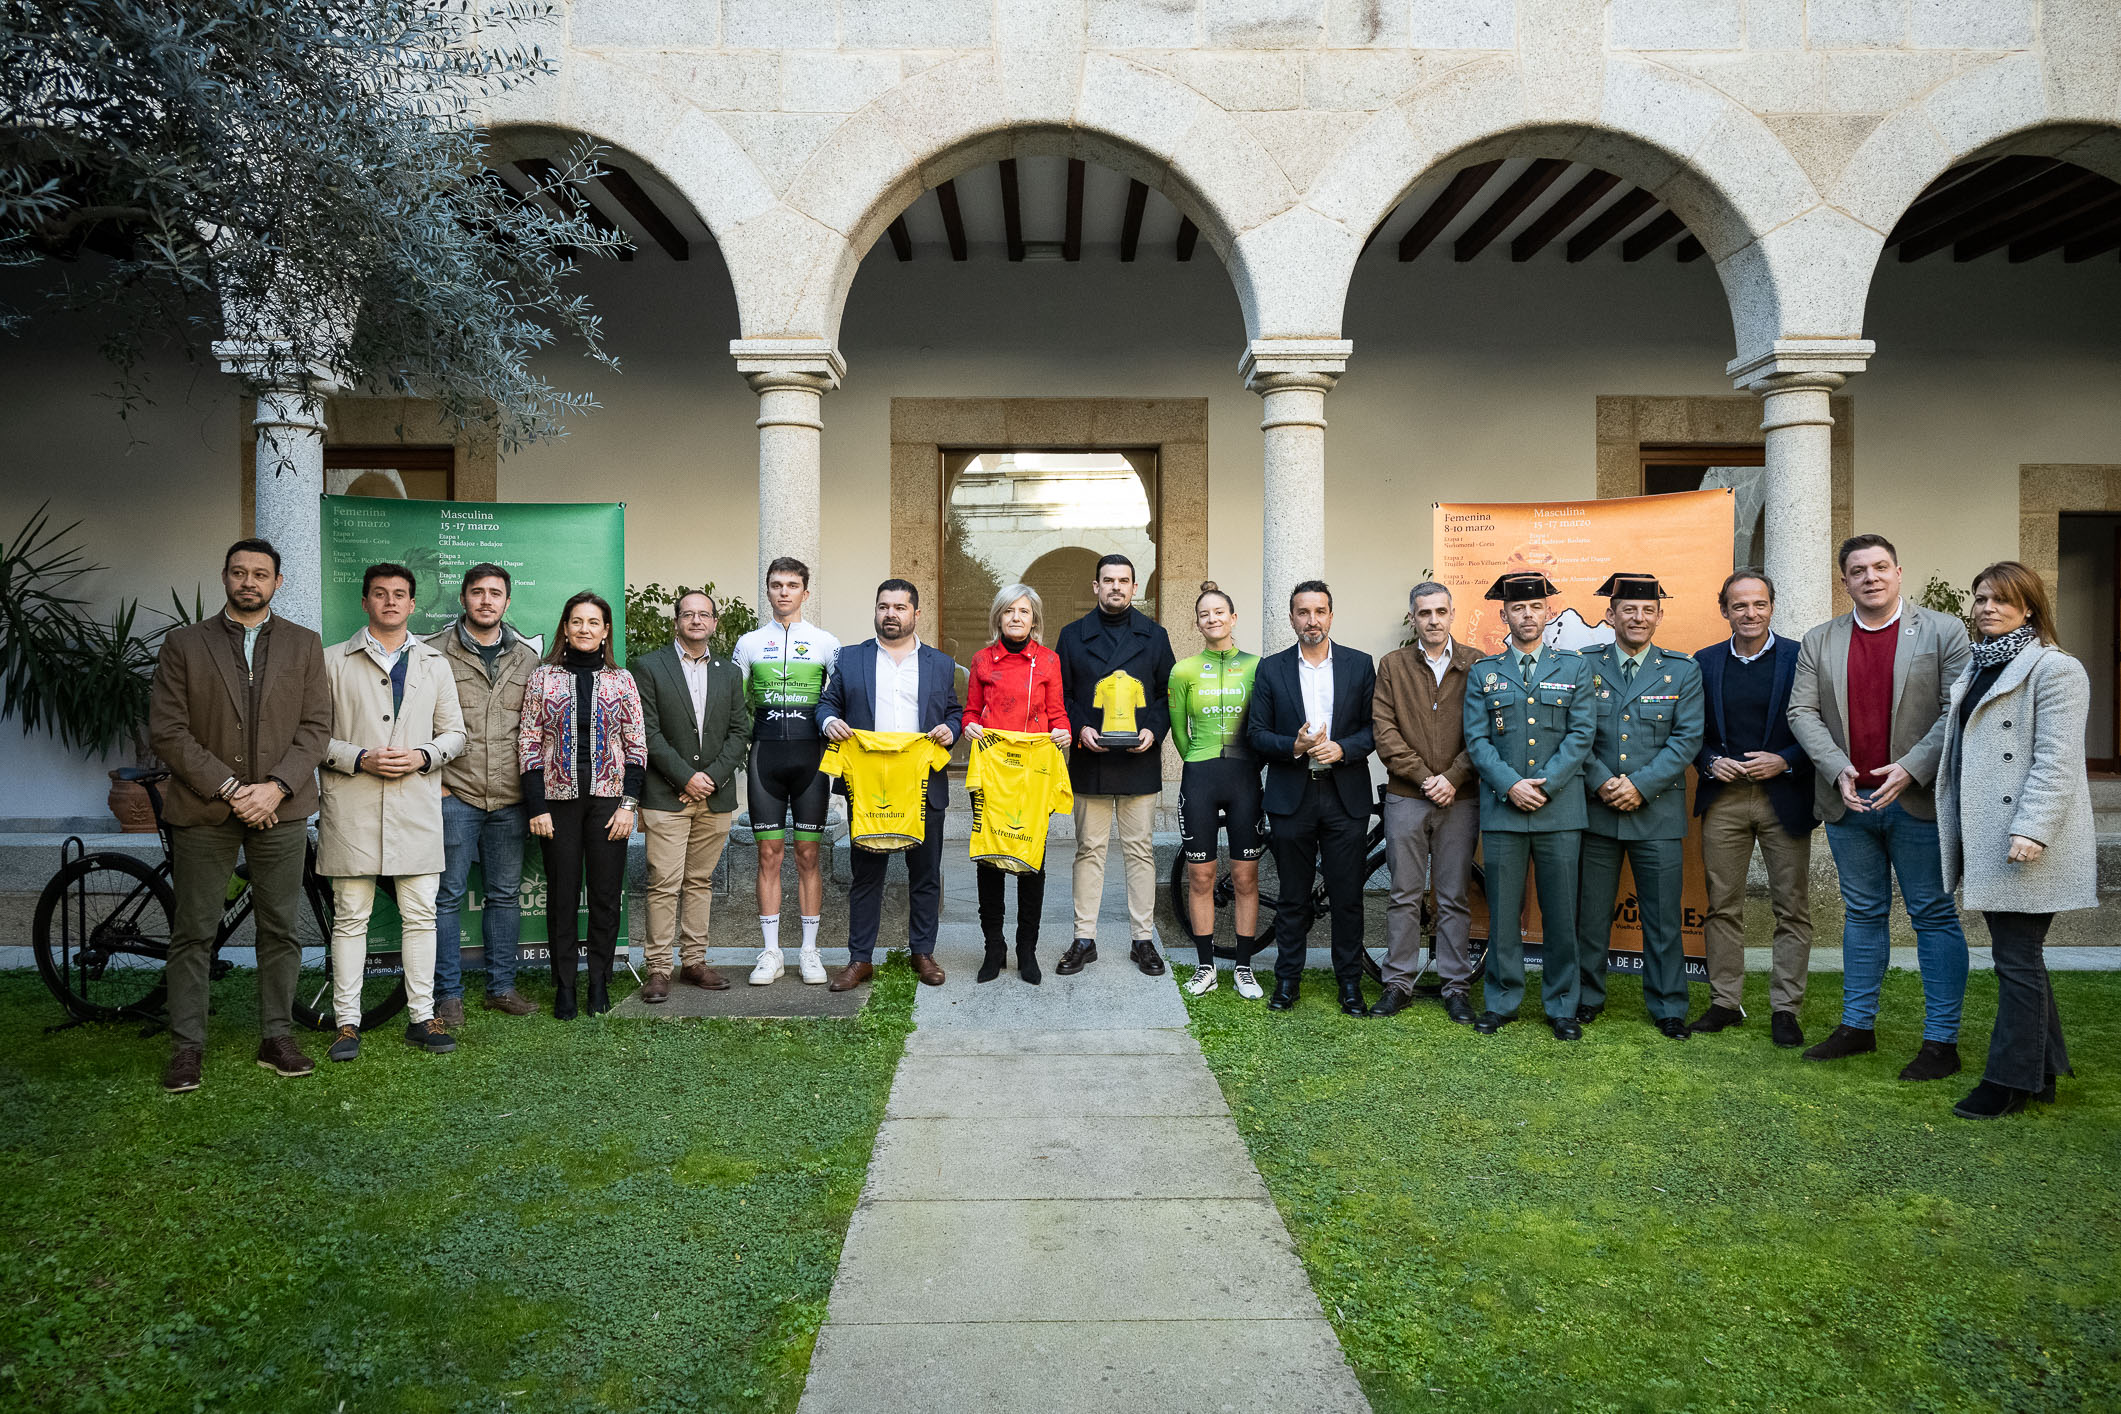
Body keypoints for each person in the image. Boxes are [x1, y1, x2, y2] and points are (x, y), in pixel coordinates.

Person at [147, 538, 331, 1092]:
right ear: (225, 578)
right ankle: (187, 1048)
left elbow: (316, 728)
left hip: (282, 807)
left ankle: (277, 1036)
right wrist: (231, 788)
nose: (249, 582)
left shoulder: (303, 644)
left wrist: (274, 788)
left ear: (278, 583)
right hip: (205, 806)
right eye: (238, 572)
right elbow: (167, 731)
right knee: (195, 931)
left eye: (260, 574)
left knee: (280, 928)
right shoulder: (184, 644)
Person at [1787, 534, 1972, 1080]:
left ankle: (1941, 1041)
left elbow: (1954, 712)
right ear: (1843, 580)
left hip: (1916, 801)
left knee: (1933, 916)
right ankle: (1856, 1027)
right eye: (1858, 570)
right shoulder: (1819, 640)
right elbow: (1801, 712)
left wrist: (1911, 767)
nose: (1870, 577)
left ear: (1898, 572)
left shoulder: (1943, 631)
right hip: (1849, 802)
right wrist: (1837, 767)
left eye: (1880, 567)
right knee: (1863, 914)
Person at [1938, 562, 2094, 1119]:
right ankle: (2045, 1070)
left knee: (2016, 959)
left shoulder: (2056, 670)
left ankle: (2008, 1082)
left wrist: (2032, 829)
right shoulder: (1979, 666)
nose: (1987, 608)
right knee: (2021, 956)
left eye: (2002, 600)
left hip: (2023, 839)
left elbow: (2056, 762)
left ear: (2028, 607)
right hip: (1988, 835)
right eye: (1981, 598)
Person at [318, 562, 466, 1059]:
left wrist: (425, 755)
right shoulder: (332, 661)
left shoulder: (434, 663)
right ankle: (347, 1023)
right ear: (364, 602)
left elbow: (456, 734)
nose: (390, 602)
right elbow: (311, 736)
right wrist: (358, 757)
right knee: (350, 916)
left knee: (421, 915)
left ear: (412, 603)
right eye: (379, 594)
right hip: (352, 806)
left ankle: (422, 1018)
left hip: (415, 806)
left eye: (400, 594)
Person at [1463, 572, 1598, 1040]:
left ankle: (1563, 1005)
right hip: (1503, 808)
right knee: (1502, 912)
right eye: (1517, 608)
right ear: (1504, 615)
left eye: (1535, 607)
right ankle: (1502, 1000)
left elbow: (1583, 733)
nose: (1526, 614)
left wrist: (1546, 783)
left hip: (1559, 808)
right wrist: (1511, 785)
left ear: (1548, 613)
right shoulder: (1485, 672)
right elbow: (1477, 741)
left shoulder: (1575, 668)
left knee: (1561, 912)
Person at [1575, 574, 1705, 1040]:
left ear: (1659, 617)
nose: (1638, 617)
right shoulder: (1583, 666)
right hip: (1597, 809)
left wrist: (1640, 785)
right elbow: (1576, 734)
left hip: (1657, 813)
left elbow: (1687, 739)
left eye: (1648, 610)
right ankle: (1585, 997)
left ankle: (1669, 1004)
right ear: (1611, 615)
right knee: (1590, 916)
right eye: (1629, 609)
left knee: (1663, 918)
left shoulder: (1682, 671)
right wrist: (1604, 781)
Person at [1690, 570, 1816, 1048]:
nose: (1750, 613)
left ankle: (1785, 1010)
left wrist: (1784, 760)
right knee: (1722, 905)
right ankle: (1725, 1002)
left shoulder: (1801, 657)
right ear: (1724, 610)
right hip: (1724, 799)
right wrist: (1709, 761)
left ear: (1772, 607)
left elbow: (1823, 727)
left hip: (1784, 796)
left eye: (1759, 604)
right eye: (1739, 606)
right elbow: (1690, 732)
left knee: (1792, 909)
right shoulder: (1704, 663)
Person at [818, 579, 962, 991]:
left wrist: (951, 730)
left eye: (900, 607)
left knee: (925, 873)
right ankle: (859, 958)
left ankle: (923, 952)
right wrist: (830, 722)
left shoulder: (940, 663)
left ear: (916, 613)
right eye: (884, 606)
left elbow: (955, 712)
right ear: (875, 611)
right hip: (869, 786)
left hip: (921, 783)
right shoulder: (849, 659)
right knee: (867, 874)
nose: (891, 614)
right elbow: (828, 704)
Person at [1247, 581, 1378, 1018]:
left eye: (1320, 611)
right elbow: (1256, 734)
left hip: (1344, 797)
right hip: (1292, 797)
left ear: (1331, 615)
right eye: (1303, 612)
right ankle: (1287, 981)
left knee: (1347, 897)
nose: (1312, 620)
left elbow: (1374, 730)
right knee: (1292, 896)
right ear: (1291, 619)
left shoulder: (1360, 665)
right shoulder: (1271, 669)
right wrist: (1296, 746)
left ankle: (1350, 985)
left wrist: (1343, 748)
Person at [518, 591, 646, 1019]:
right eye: (577, 621)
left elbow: (637, 749)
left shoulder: (622, 680)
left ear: (606, 630)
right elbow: (529, 743)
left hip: (609, 804)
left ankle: (599, 980)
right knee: (562, 895)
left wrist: (628, 805)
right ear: (566, 629)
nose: (585, 629)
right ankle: (566, 985)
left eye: (594, 622)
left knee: (607, 896)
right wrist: (537, 806)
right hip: (557, 803)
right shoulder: (543, 678)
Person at [427, 562, 541, 1025]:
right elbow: (415, 719)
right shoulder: (433, 652)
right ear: (464, 598)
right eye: (478, 592)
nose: (487, 600)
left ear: (507, 602)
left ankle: (501, 987)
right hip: (456, 794)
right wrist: (435, 779)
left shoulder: (529, 659)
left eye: (496, 593)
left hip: (511, 800)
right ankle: (447, 993)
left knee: (505, 895)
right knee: (448, 896)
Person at [1053, 554, 1176, 977]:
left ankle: (1143, 940)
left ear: (1134, 586)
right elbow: (1061, 696)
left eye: (1124, 580)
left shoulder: (1155, 636)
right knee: (1089, 850)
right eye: (1108, 580)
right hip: (1092, 758)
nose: (1116, 588)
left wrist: (1154, 731)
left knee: (1140, 851)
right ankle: (1083, 938)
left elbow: (1165, 695)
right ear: (1095, 586)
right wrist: (1080, 726)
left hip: (1138, 759)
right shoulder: (1071, 636)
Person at [1371, 581, 1482, 1023]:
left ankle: (1456, 986)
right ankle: (1398, 982)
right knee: (1404, 894)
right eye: (1424, 613)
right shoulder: (1393, 666)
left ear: (1453, 613)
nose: (1433, 620)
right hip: (1406, 797)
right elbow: (1385, 731)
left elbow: (1485, 733)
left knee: (1453, 894)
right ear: (1413, 618)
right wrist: (1424, 778)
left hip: (1462, 797)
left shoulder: (1477, 664)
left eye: (1440, 611)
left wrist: (1452, 777)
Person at [634, 590, 752, 1001]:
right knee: (664, 883)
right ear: (676, 622)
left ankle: (695, 962)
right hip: (666, 796)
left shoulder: (728, 672)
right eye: (689, 614)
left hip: (714, 798)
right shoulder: (648, 667)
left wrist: (711, 779)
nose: (697, 621)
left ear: (715, 623)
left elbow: (740, 731)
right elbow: (647, 732)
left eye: (704, 615)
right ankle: (659, 969)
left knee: (700, 882)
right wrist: (685, 778)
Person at [732, 558, 841, 986]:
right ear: (768, 590)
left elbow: (841, 702)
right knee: (768, 854)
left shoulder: (826, 644)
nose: (783, 592)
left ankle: (810, 952)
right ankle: (771, 951)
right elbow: (734, 704)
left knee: (809, 854)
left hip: (811, 759)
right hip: (765, 759)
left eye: (792, 585)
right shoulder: (749, 643)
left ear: (805, 593)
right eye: (776, 585)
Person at [961, 583, 1072, 984]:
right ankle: (994, 948)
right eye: (1009, 611)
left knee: (1031, 864)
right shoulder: (981, 660)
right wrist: (969, 726)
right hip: (992, 772)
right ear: (998, 617)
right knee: (989, 860)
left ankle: (1027, 949)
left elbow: (1058, 714)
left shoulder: (1047, 661)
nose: (1016, 618)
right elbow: (971, 711)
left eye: (1024, 612)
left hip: (1033, 776)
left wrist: (1064, 732)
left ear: (1034, 619)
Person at [1169, 583, 1265, 1000]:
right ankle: (1205, 965)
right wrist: (1201, 758)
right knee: (1201, 875)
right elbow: (1178, 730)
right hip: (1201, 776)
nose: (1213, 619)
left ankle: (1243, 967)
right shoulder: (1184, 671)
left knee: (1245, 876)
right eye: (1205, 614)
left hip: (1245, 776)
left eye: (1219, 612)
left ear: (1233, 618)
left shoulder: (1258, 666)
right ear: (1197, 623)